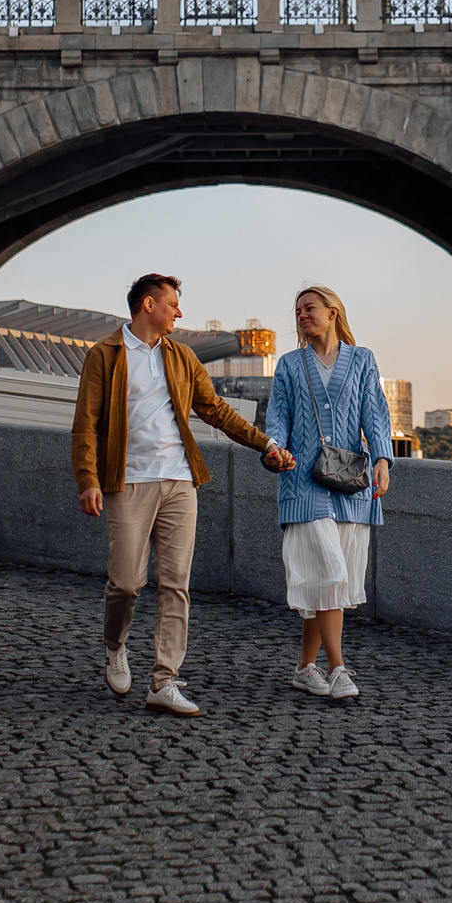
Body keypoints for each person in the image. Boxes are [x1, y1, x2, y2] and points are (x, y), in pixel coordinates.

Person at [71, 272, 292, 717]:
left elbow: (216, 409)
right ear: (149, 305)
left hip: (179, 482)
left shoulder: (182, 356)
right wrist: (88, 480)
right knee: (128, 583)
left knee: (176, 585)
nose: (179, 312)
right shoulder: (106, 356)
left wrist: (265, 443)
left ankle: (164, 681)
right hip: (127, 482)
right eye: (173, 304)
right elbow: (86, 424)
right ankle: (116, 646)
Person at [262, 285, 392, 701]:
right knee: (332, 573)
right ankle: (338, 668)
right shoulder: (288, 364)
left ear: (333, 312)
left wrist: (383, 459)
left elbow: (375, 412)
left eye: (309, 308)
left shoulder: (363, 360)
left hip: (351, 483)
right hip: (302, 480)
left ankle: (304, 667)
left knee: (326, 582)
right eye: (297, 310)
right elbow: (278, 414)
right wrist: (274, 449)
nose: (301, 315)